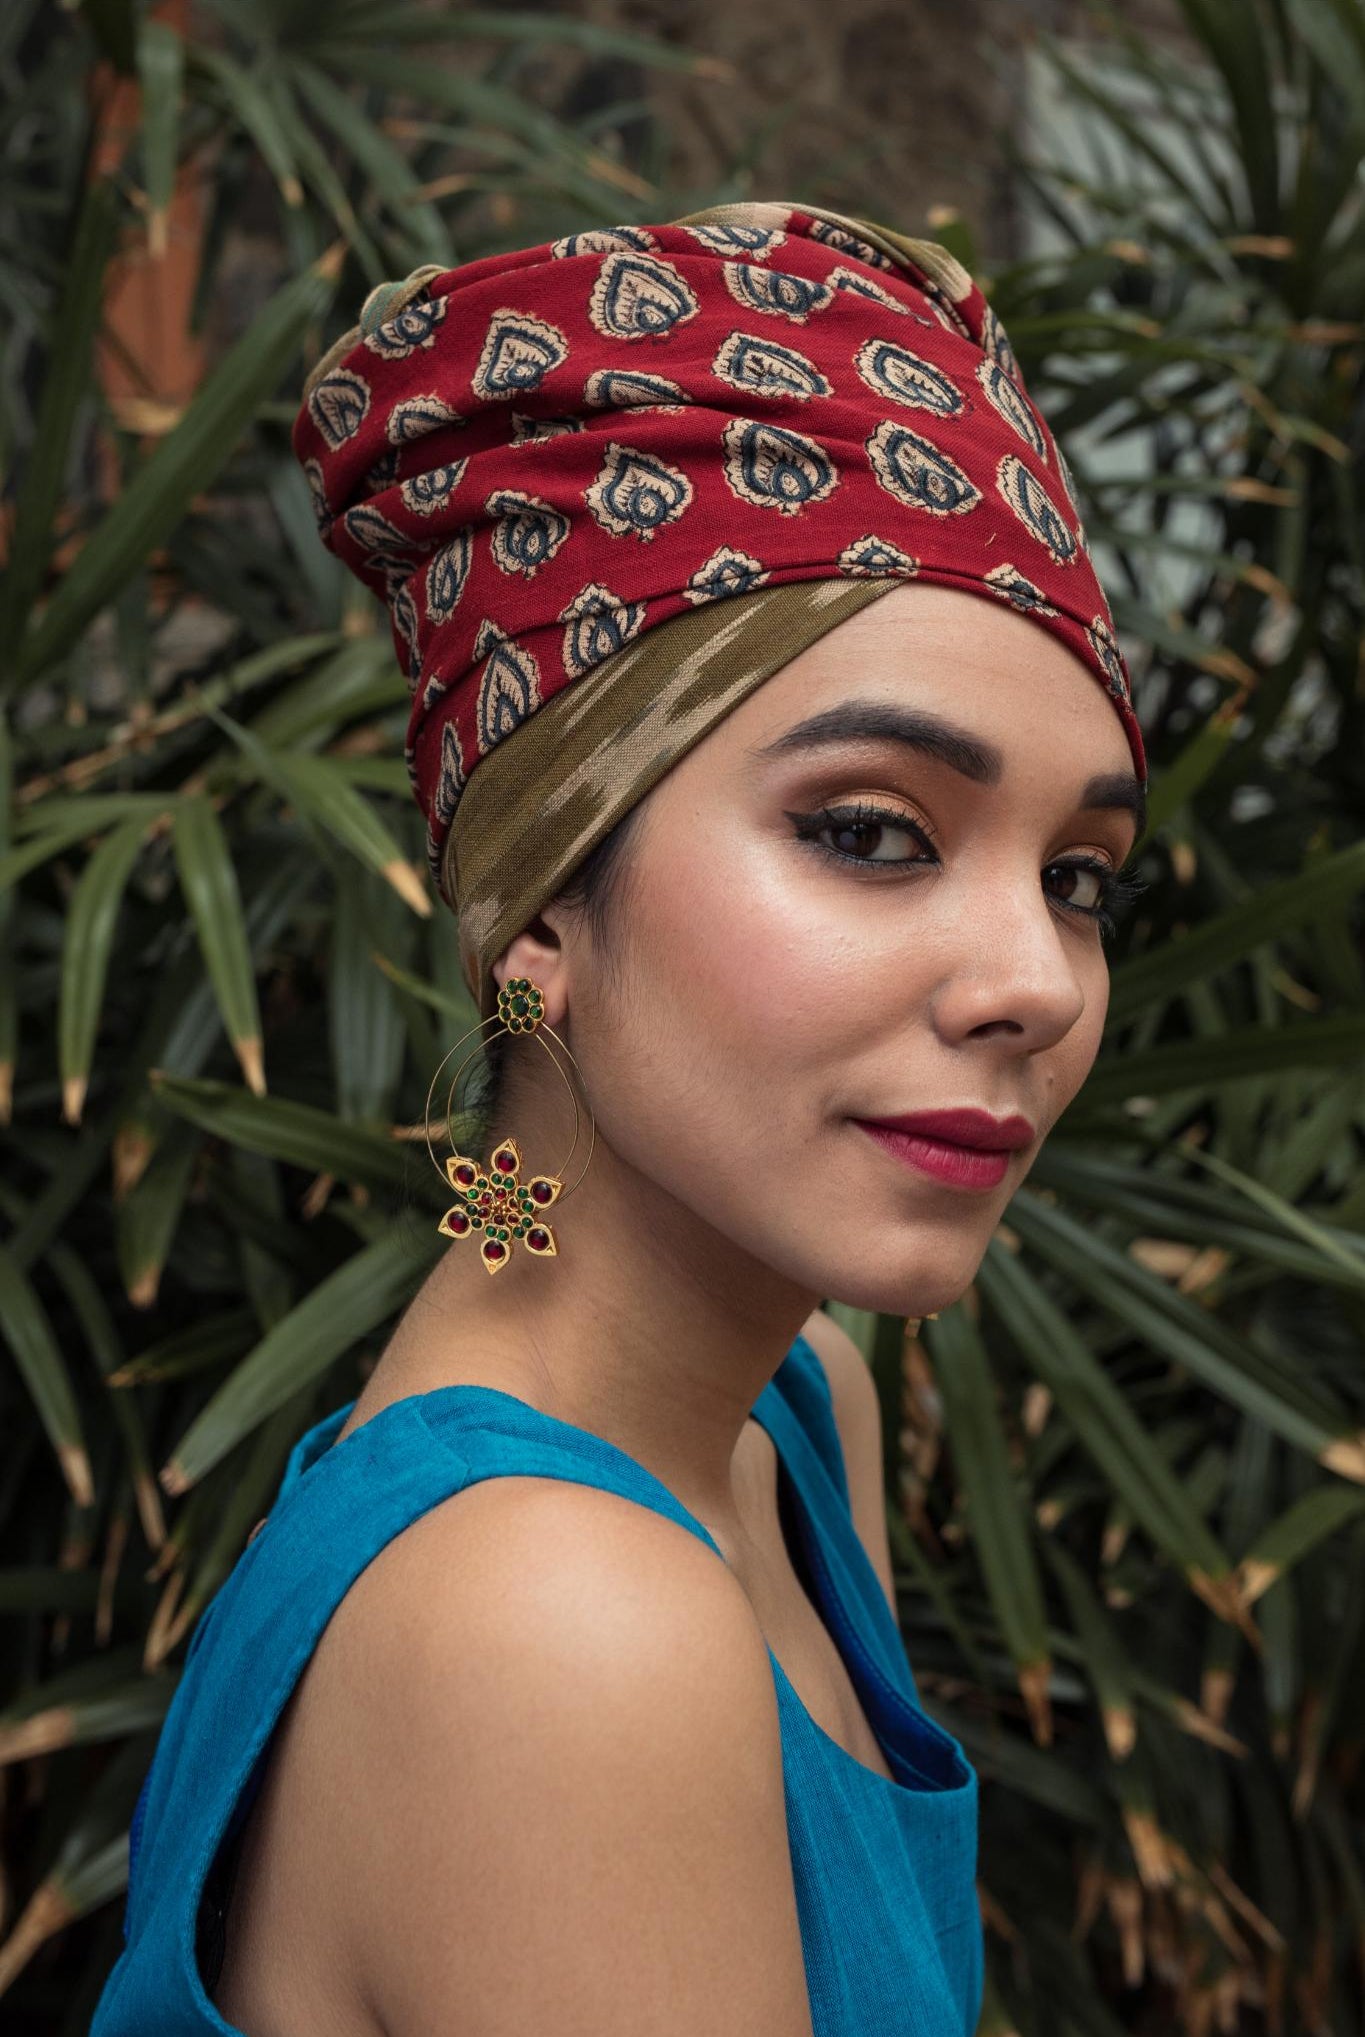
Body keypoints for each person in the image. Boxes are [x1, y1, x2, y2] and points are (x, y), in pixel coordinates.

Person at [91, 200, 1148, 2037]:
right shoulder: (553, 1620)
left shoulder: (790, 1407)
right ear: (546, 911)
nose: (1034, 982)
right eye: (871, 831)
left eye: (1077, 874)